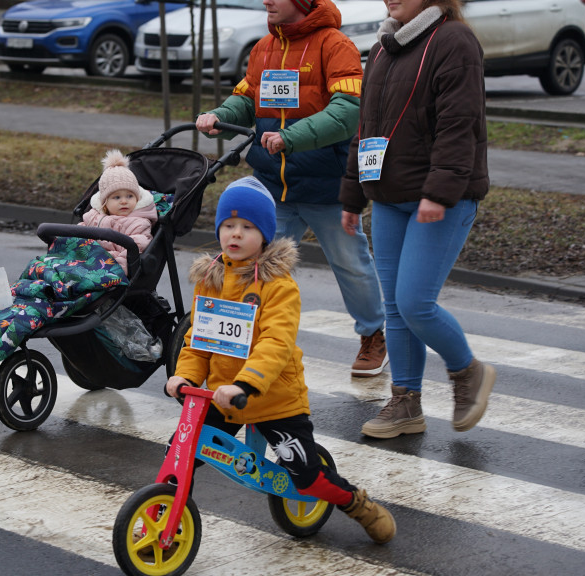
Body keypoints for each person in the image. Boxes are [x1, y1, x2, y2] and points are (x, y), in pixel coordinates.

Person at [166, 176, 396, 544]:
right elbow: (198, 341)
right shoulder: (210, 279)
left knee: (307, 474)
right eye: (228, 225)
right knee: (179, 451)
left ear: (266, 235)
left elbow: (275, 342)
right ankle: (169, 519)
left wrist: (245, 384)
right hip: (222, 397)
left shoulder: (279, 286)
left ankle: (356, 503)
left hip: (273, 399)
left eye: (247, 227)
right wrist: (185, 378)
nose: (235, 234)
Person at [194, 0, 388, 379]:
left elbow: (348, 110)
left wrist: (291, 138)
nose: (267, 1)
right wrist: (221, 114)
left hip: (326, 187)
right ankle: (244, 343)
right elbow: (246, 99)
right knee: (250, 267)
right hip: (272, 188)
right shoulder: (263, 47)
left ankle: (373, 336)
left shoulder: (335, 45)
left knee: (351, 265)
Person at [338, 0, 496, 439]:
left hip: (441, 198)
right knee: (395, 310)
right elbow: (365, 127)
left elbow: (458, 123)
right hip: (389, 197)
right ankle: (406, 403)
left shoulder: (453, 40)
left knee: (414, 302)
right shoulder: (386, 46)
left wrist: (439, 191)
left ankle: (468, 372)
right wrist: (352, 195)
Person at [81, 149, 158, 275]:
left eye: (129, 196)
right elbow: (79, 235)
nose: (124, 201)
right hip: (86, 263)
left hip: (109, 269)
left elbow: (137, 246)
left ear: (137, 198)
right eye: (117, 197)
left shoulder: (139, 223)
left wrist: (115, 267)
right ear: (104, 202)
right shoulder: (93, 217)